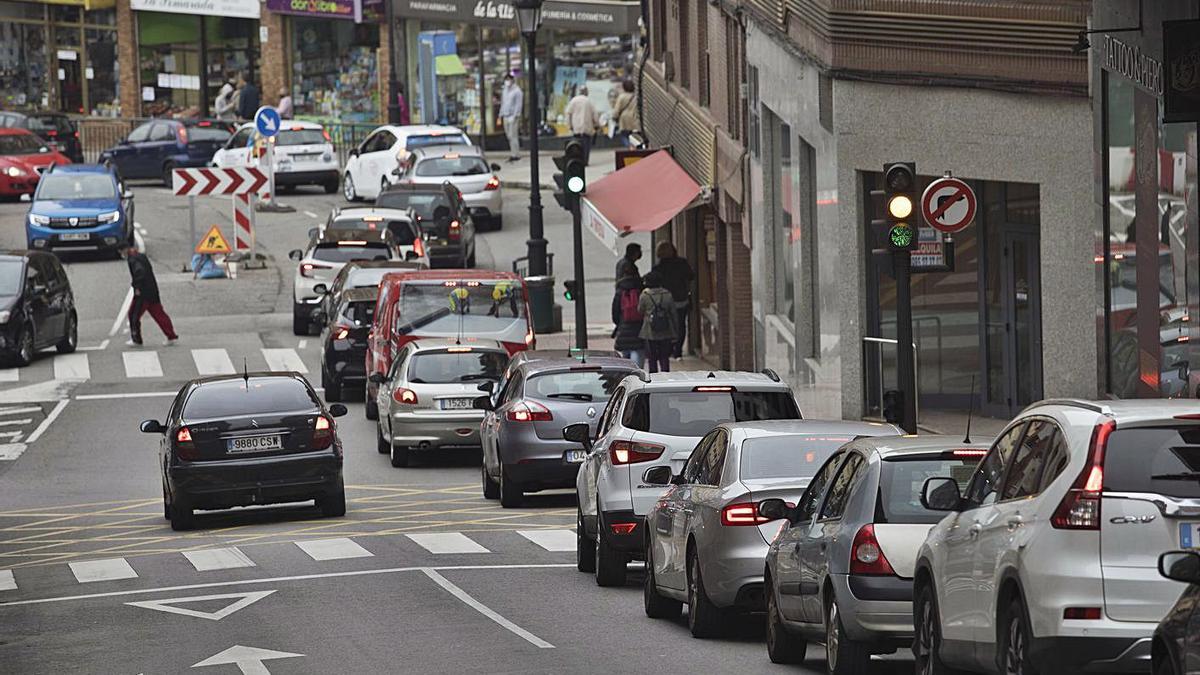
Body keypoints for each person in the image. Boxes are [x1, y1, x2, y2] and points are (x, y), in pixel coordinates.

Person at [122, 243, 178, 347]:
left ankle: (136, 339)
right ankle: (171, 335)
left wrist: (137, 286)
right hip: (152, 290)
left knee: (133, 314)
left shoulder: (133, 259)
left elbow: (140, 272)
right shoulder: (141, 256)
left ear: (125, 250)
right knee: (159, 314)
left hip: (142, 293)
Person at [651, 240, 694, 358]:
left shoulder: (658, 268)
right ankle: (678, 349)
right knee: (680, 324)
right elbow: (691, 276)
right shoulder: (682, 263)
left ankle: (668, 348)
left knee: (667, 325)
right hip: (681, 299)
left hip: (664, 301)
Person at [638, 271, 678, 373]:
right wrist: (676, 330)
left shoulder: (645, 295)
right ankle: (665, 374)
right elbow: (673, 313)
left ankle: (654, 376)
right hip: (666, 329)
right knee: (664, 356)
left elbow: (640, 310)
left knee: (652, 357)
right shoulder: (667, 294)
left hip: (649, 330)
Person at [612, 274, 645, 367]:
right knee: (637, 355)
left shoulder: (620, 292)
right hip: (638, 329)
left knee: (624, 357)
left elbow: (615, 312)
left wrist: (620, 323)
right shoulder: (641, 291)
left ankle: (626, 375)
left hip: (623, 329)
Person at [565, 86, 600, 165]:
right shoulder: (589, 102)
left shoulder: (573, 101)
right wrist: (597, 125)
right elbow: (595, 115)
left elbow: (568, 113)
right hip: (586, 128)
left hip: (576, 128)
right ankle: (585, 161)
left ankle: (577, 161)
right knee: (586, 146)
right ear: (586, 92)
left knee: (576, 146)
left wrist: (569, 125)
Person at [498, 74, 524, 163]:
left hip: (513, 116)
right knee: (508, 136)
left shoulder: (517, 91)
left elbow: (518, 105)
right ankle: (513, 152)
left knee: (513, 135)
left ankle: (515, 154)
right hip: (505, 115)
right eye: (506, 80)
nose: (507, 82)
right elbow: (503, 103)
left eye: (509, 80)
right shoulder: (505, 90)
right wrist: (500, 115)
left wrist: (515, 115)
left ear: (513, 80)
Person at [613, 79, 637, 147]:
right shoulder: (635, 96)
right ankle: (633, 147)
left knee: (624, 135)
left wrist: (614, 117)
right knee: (633, 136)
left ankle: (629, 146)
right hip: (633, 118)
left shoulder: (622, 97)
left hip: (624, 119)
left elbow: (617, 110)